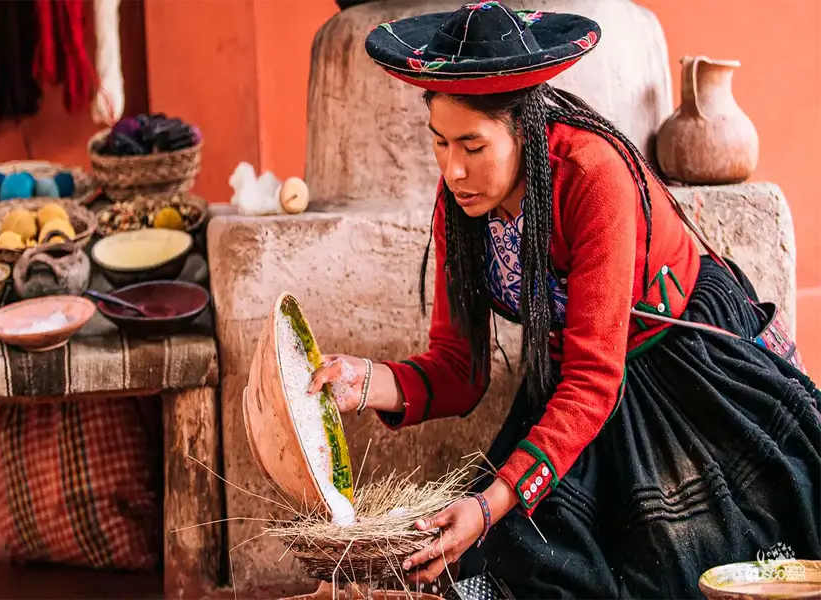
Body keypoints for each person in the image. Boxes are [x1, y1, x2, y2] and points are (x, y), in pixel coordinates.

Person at [308, 3, 821, 598]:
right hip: (579, 379)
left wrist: (488, 502)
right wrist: (364, 381)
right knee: (512, 555)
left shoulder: (591, 175)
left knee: (672, 566)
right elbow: (458, 371)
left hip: (680, 367)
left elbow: (595, 379)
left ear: (525, 130)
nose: (452, 170)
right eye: (440, 143)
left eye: (472, 146)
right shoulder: (461, 209)